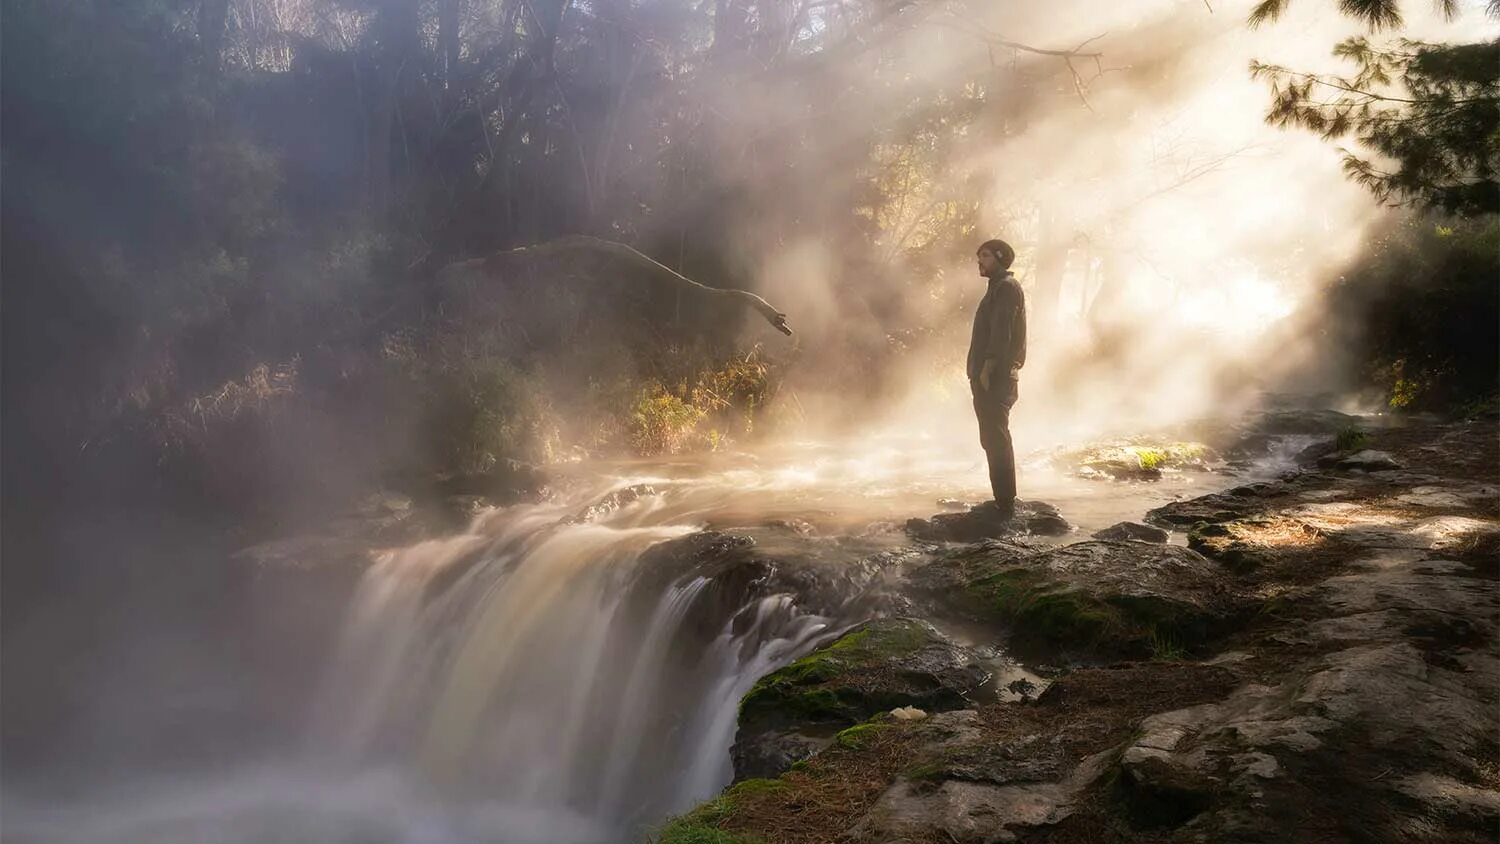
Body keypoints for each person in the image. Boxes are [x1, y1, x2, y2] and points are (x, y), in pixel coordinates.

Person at [966, 239, 1027, 518]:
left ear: (1000, 258)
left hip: (997, 376)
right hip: (989, 375)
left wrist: (988, 367)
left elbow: (1002, 331)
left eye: (986, 256)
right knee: (991, 436)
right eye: (979, 256)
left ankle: (1005, 503)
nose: (980, 260)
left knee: (996, 436)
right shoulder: (997, 289)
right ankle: (1002, 499)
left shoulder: (1006, 288)